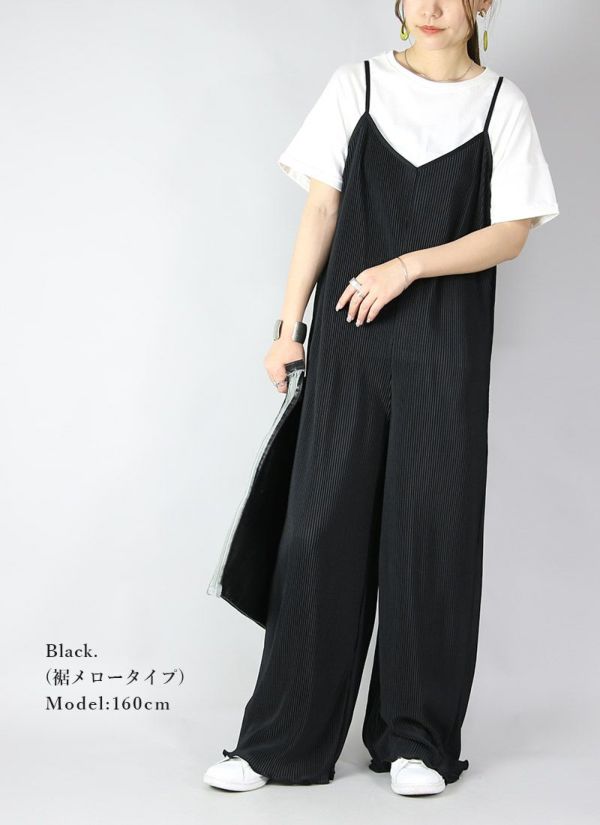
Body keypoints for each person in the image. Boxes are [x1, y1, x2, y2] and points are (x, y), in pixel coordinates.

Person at [204, 0, 560, 797]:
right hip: (350, 343)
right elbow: (321, 206)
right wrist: (287, 327)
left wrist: (407, 265)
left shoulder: (501, 105)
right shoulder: (356, 85)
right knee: (317, 531)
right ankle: (280, 742)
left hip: (445, 349)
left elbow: (511, 232)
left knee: (430, 532)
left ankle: (417, 740)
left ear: (482, 3)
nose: (429, 9)